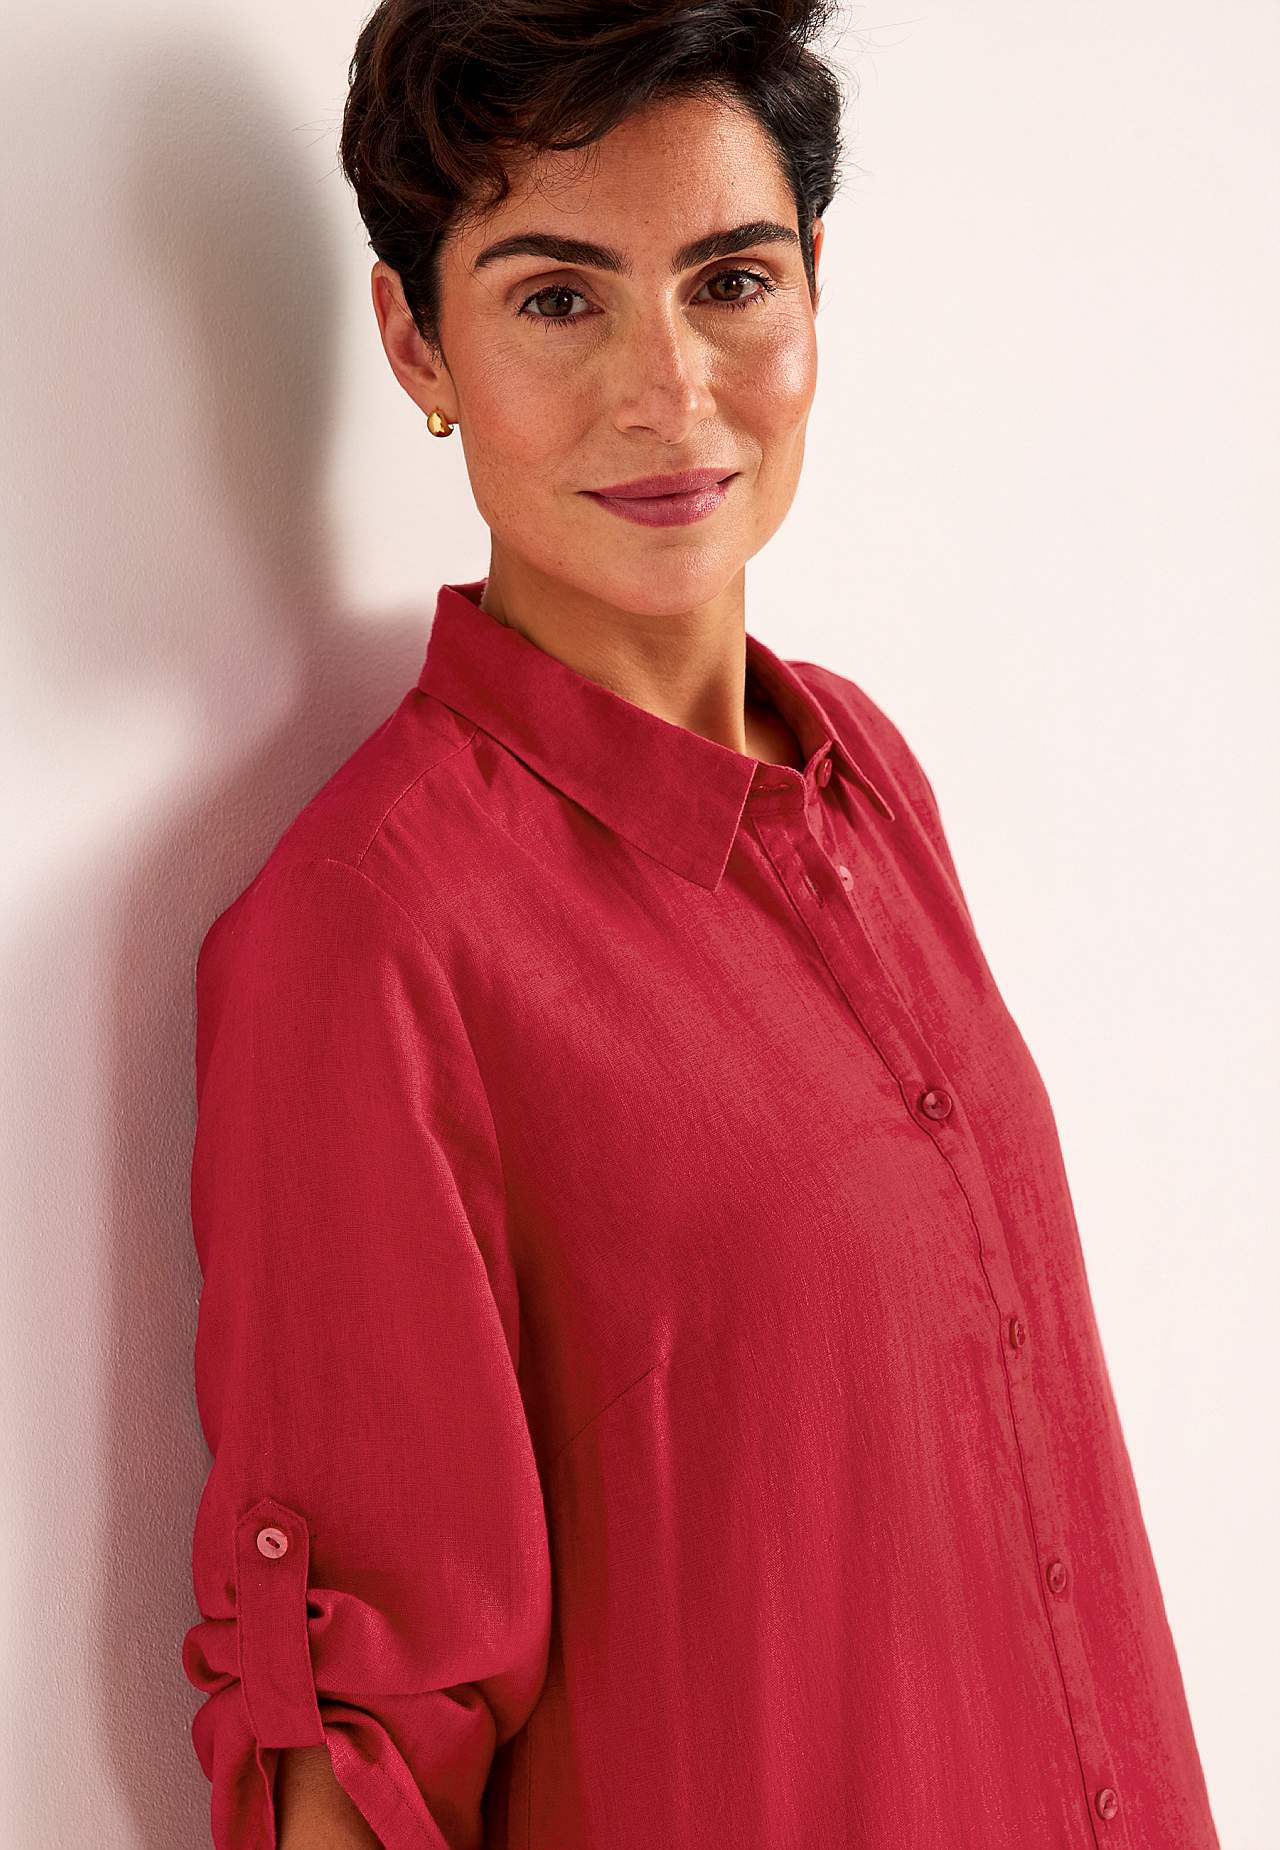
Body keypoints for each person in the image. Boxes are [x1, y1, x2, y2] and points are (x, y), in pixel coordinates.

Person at [180, 3, 1222, 1847]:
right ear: (416, 341)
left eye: (730, 281)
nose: (668, 394)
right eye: (556, 299)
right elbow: (353, 1747)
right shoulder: (370, 938)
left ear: (814, 289)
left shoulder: (866, 775)